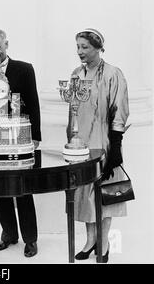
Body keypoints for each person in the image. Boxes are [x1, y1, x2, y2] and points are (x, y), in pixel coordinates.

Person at [0, 29, 42, 257]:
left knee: (23, 188)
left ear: (6, 45)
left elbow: (33, 102)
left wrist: (35, 137)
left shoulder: (24, 69)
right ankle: (9, 234)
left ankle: (30, 239)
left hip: (20, 138)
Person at [69, 28, 129, 263]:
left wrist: (115, 146)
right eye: (78, 47)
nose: (80, 52)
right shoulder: (76, 74)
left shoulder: (114, 74)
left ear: (97, 47)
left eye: (84, 47)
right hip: (82, 143)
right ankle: (90, 240)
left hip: (104, 142)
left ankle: (104, 244)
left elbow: (119, 110)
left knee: (105, 194)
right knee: (84, 194)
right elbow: (72, 110)